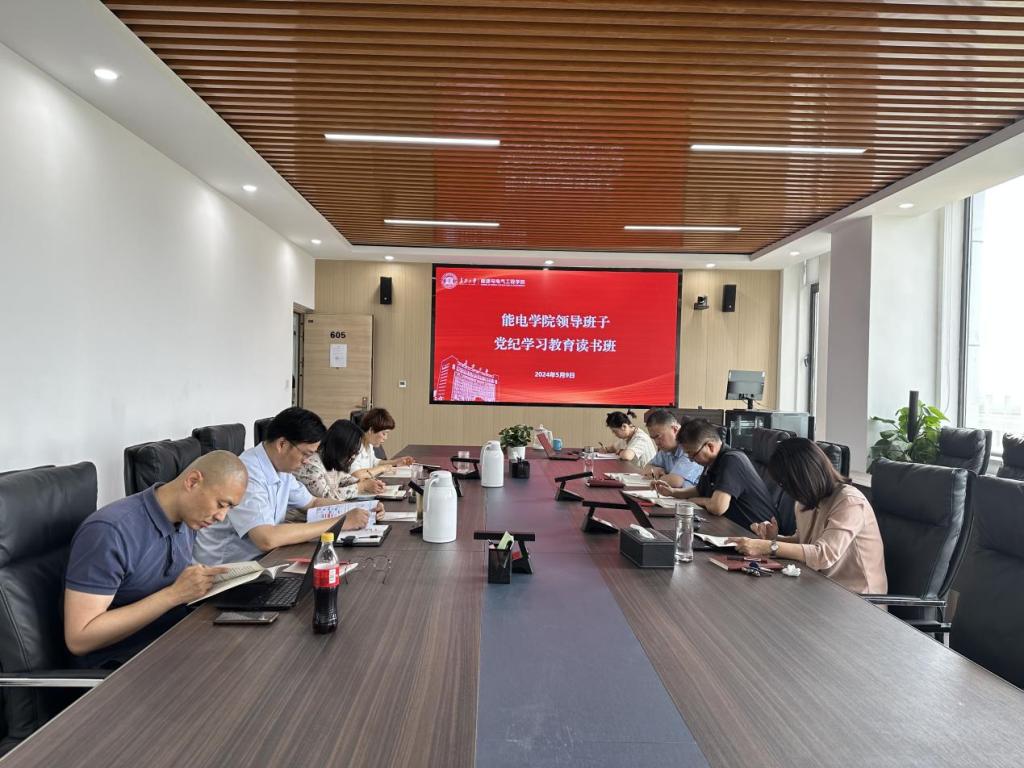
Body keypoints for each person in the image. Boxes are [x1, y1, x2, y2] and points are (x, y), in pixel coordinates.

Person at [64, 451, 247, 668]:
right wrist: (174, 595)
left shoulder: (188, 520)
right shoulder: (109, 532)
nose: (222, 517)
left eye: (229, 508)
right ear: (192, 481)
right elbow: (79, 639)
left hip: (172, 639)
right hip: (122, 663)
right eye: (221, 504)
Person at [193, 407, 370, 566]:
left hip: (265, 561)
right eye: (305, 454)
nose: (307, 461)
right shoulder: (247, 473)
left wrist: (362, 509)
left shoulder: (281, 468)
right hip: (225, 573)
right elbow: (266, 538)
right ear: (282, 444)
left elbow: (313, 503)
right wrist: (340, 522)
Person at [728, 439, 888, 594]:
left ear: (805, 477)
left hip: (859, 599)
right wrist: (774, 539)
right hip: (820, 587)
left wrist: (769, 546)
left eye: (786, 483)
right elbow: (804, 541)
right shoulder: (805, 501)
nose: (785, 490)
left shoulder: (849, 502)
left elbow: (823, 555)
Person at [654, 419, 774, 529]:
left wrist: (694, 501)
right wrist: (672, 492)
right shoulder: (712, 462)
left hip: (755, 533)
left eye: (692, 454)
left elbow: (718, 507)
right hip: (730, 527)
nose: (690, 459)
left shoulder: (732, 460)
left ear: (710, 446)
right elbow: (699, 491)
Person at [295, 419, 387, 500]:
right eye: (351, 451)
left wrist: (367, 483)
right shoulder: (311, 466)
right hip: (306, 514)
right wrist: (362, 486)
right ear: (339, 447)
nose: (353, 457)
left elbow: (344, 479)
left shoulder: (332, 460)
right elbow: (326, 497)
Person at [641, 409, 702, 487]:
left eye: (658, 437)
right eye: (653, 438)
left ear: (675, 429)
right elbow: (646, 468)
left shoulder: (690, 445)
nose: (656, 443)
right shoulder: (666, 449)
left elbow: (676, 481)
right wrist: (656, 470)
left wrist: (657, 476)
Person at [350, 407, 415, 478]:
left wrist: (396, 462)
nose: (386, 438)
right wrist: (382, 468)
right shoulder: (354, 446)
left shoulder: (368, 444)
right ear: (371, 430)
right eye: (384, 433)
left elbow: (374, 462)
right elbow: (356, 474)